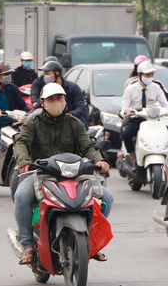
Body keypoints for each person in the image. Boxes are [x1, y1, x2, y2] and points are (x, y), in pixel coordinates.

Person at [13, 83, 113, 264]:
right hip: (42, 173)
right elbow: (21, 143)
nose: (56, 102)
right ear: (42, 102)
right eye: (51, 99)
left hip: (73, 173)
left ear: (65, 100)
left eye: (59, 98)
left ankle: (90, 240)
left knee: (107, 197)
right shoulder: (33, 123)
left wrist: (99, 160)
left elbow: (88, 146)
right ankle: (27, 244)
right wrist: (24, 161)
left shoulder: (74, 123)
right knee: (21, 196)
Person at [120, 60, 168, 176]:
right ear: (139, 75)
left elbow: (166, 104)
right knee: (126, 134)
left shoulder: (156, 87)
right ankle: (135, 161)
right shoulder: (130, 89)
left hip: (153, 120)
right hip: (136, 119)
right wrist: (127, 111)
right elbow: (124, 108)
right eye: (147, 75)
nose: (150, 77)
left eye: (152, 74)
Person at [30, 60, 90, 127]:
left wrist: (68, 115)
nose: (45, 76)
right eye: (44, 73)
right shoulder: (47, 89)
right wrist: (27, 116)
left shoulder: (73, 88)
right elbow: (37, 106)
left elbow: (81, 108)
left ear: (57, 73)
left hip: (74, 125)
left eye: (47, 73)